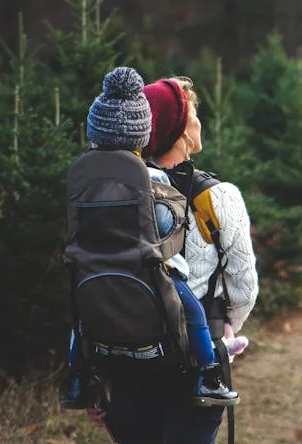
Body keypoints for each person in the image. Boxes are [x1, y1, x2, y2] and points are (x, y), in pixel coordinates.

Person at [95, 74, 259, 443]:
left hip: (128, 358)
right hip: (196, 365)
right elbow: (244, 287)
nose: (200, 120)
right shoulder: (220, 198)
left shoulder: (114, 193)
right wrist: (225, 331)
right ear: (182, 130)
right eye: (194, 113)